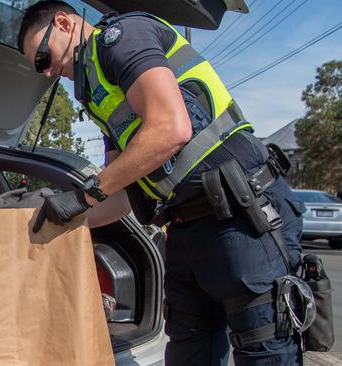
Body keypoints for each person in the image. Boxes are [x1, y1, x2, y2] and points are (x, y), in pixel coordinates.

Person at [19, 2, 308, 365]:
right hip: (188, 229)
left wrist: (84, 196)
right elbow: (122, 193)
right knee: (189, 354)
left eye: (43, 58)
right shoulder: (98, 95)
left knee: (265, 350)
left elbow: (171, 128)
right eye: (38, 67)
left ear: (63, 23)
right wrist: (62, 221)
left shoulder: (119, 40)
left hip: (242, 214)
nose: (46, 73)